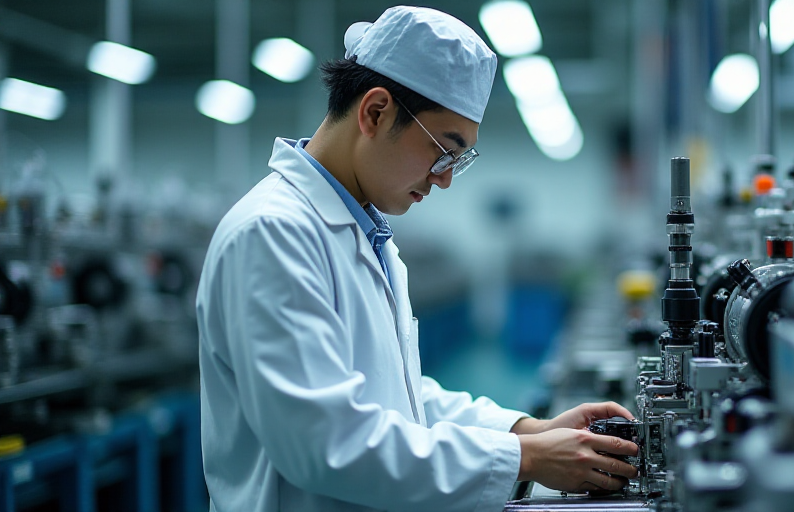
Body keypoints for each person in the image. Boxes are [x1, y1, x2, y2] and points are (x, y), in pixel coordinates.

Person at [196, 5, 638, 512]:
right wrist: (524, 457)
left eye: (459, 160)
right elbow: (325, 445)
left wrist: (527, 430)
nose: (445, 177)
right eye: (444, 150)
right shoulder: (273, 234)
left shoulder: (366, 233)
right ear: (375, 112)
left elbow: (397, 399)